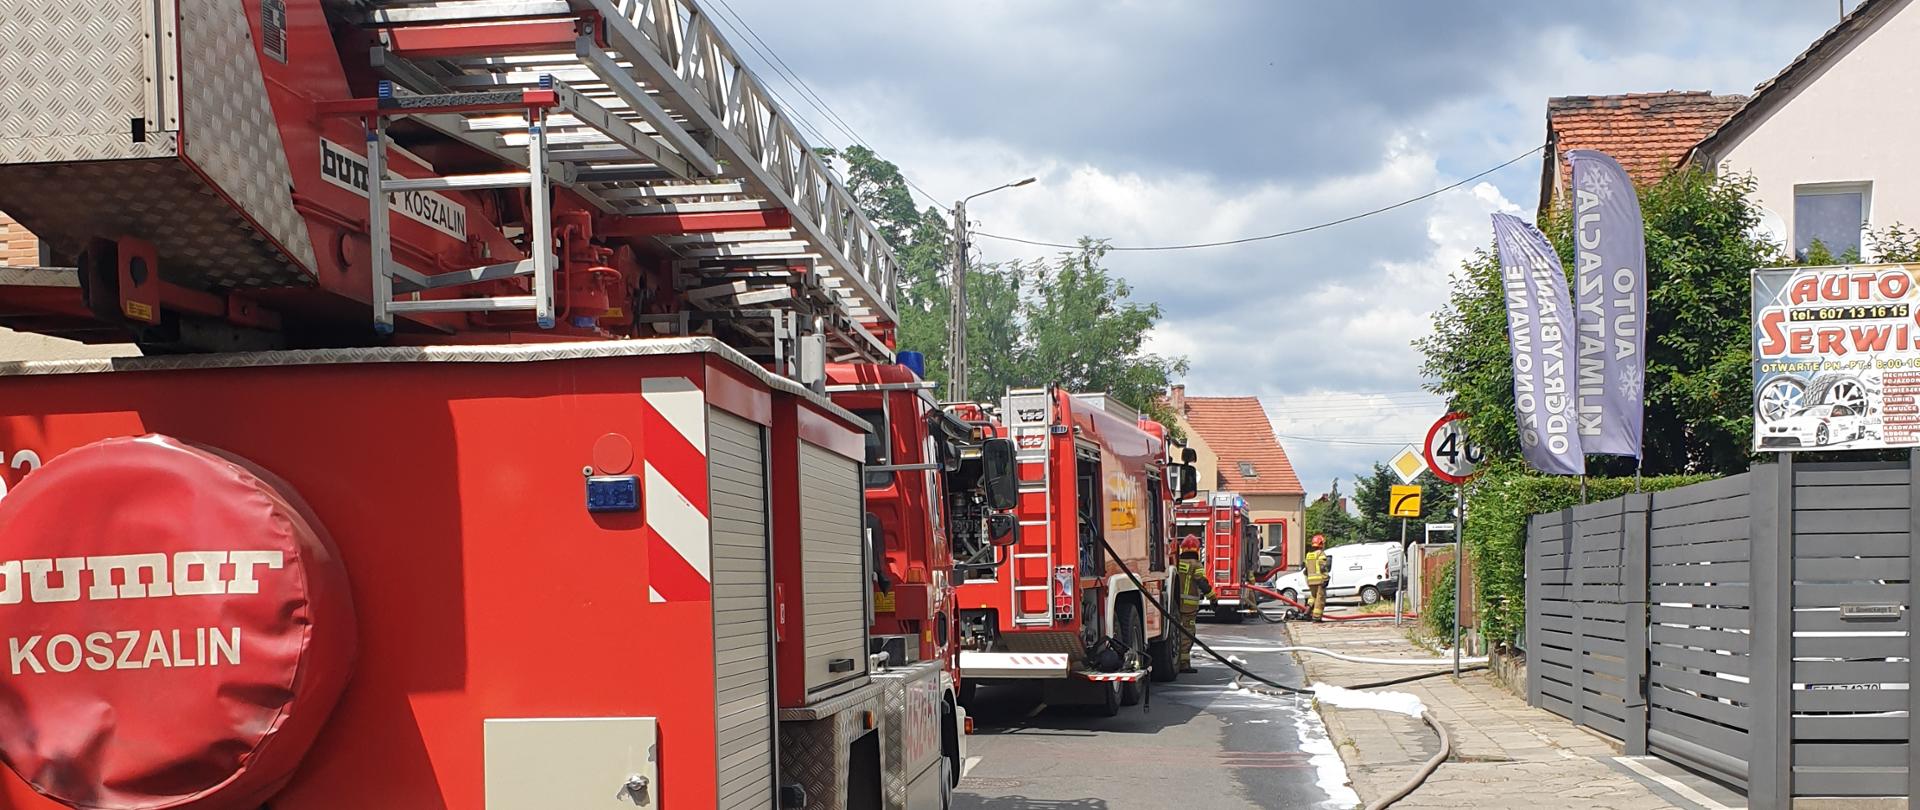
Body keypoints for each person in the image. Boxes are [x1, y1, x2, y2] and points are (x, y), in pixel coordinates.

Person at [1174, 538, 1212, 673]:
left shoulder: (1177, 563)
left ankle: (1176, 660)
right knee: (1187, 634)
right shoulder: (1196, 565)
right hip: (1189, 607)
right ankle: (1184, 664)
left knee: (1176, 633)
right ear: (1197, 550)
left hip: (1175, 606)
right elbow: (1201, 582)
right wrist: (1212, 598)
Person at [1304, 534, 1329, 622]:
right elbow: (1322, 567)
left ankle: (1307, 610)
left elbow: (1306, 570)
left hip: (1311, 580)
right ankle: (1317, 617)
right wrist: (1326, 578)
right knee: (1320, 598)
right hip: (1319, 580)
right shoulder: (1320, 553)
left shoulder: (1308, 555)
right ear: (1321, 543)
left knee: (1313, 597)